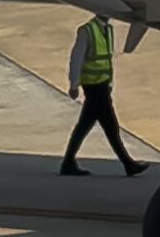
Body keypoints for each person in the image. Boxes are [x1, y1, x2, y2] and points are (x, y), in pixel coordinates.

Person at [58, 11, 143, 176]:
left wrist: (110, 82)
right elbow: (77, 58)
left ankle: (68, 163)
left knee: (86, 125)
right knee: (110, 125)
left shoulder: (108, 30)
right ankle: (128, 164)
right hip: (92, 86)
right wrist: (74, 84)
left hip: (102, 85)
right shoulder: (87, 30)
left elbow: (107, 60)